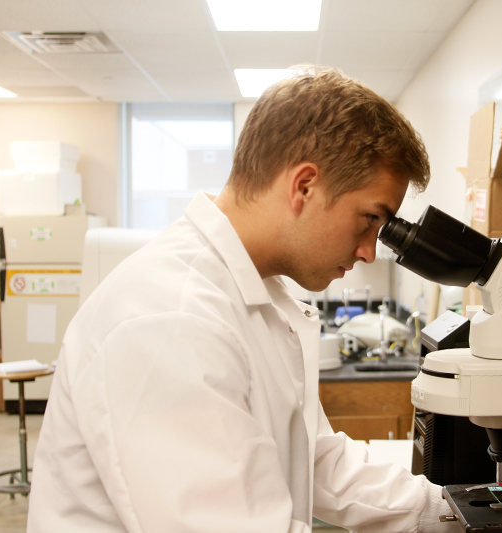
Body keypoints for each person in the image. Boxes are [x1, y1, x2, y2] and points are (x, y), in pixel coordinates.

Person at [28, 66, 458, 533]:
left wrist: (451, 511)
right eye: (369, 219)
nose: (369, 250)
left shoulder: (257, 293)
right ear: (304, 186)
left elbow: (313, 462)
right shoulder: (172, 316)